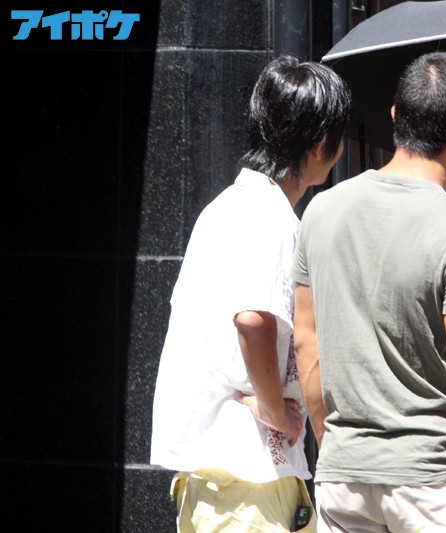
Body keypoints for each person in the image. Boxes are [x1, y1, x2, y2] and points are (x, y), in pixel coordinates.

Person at [290, 51, 446, 533]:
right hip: (430, 484)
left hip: (343, 476)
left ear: (394, 116)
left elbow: (306, 343)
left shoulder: (321, 212)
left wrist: (335, 444)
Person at [149, 55, 351, 532]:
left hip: (224, 475)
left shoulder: (229, 206)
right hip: (245, 476)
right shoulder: (267, 215)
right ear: (320, 145)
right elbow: (252, 318)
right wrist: (276, 411)